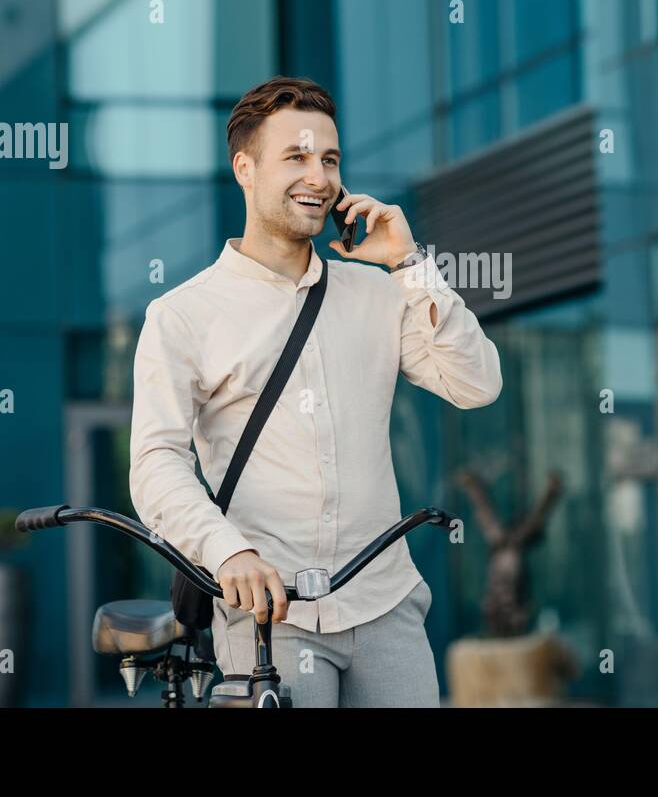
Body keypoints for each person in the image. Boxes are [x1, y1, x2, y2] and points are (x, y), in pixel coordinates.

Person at [128, 75, 502, 706]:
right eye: (296, 157)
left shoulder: (377, 294)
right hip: (271, 613)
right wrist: (228, 553)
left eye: (329, 159)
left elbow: (477, 383)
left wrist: (409, 266)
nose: (320, 177)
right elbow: (156, 462)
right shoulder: (183, 315)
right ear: (245, 169)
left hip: (384, 603)